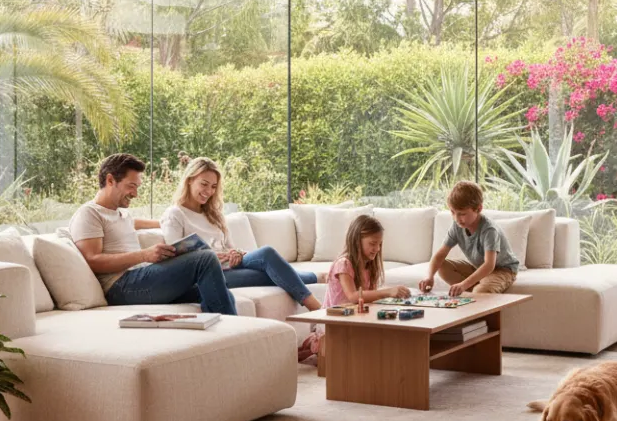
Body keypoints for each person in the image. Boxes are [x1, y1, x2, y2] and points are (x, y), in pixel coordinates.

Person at [69, 153, 236, 314]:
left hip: (141, 279)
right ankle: (233, 332)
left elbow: (148, 223)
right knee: (205, 258)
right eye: (131, 186)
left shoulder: (122, 214)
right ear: (110, 180)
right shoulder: (89, 213)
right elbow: (93, 260)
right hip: (120, 287)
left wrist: (180, 221)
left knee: (217, 290)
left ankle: (217, 339)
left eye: (137, 187)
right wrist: (144, 255)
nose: (135, 194)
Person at [160, 157, 321, 312]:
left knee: (266, 253)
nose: (208, 191)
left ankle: (317, 293)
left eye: (213, 186)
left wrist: (235, 253)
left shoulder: (213, 214)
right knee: (267, 275)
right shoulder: (175, 214)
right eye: (204, 184)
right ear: (189, 180)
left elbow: (230, 247)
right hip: (209, 274)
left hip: (230, 266)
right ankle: (317, 299)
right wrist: (213, 257)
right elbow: (178, 261)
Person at [300, 215, 410, 362]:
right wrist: (387, 292)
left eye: (379, 244)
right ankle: (320, 346)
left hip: (354, 320)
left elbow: (369, 299)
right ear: (357, 241)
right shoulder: (343, 264)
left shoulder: (369, 267)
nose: (377, 249)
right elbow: (352, 296)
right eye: (372, 243)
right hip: (335, 324)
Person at [418, 180, 521, 296]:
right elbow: (440, 255)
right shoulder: (457, 226)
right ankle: (475, 288)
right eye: (453, 212)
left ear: (478, 209)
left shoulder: (489, 230)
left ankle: (477, 289)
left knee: (481, 292)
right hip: (478, 267)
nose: (457, 218)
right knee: (441, 265)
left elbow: (489, 265)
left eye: (462, 214)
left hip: (502, 270)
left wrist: (463, 284)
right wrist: (429, 277)